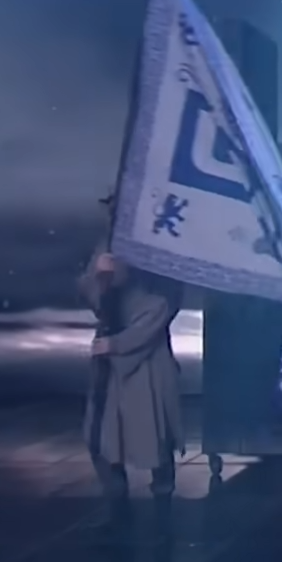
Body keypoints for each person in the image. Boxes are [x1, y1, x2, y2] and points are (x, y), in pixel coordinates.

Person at [80, 193, 187, 524]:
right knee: (102, 437)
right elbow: (94, 297)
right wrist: (101, 277)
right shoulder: (109, 243)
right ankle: (116, 499)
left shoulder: (161, 248)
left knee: (154, 434)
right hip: (110, 360)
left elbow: (162, 308)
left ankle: (163, 498)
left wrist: (118, 344)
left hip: (146, 359)